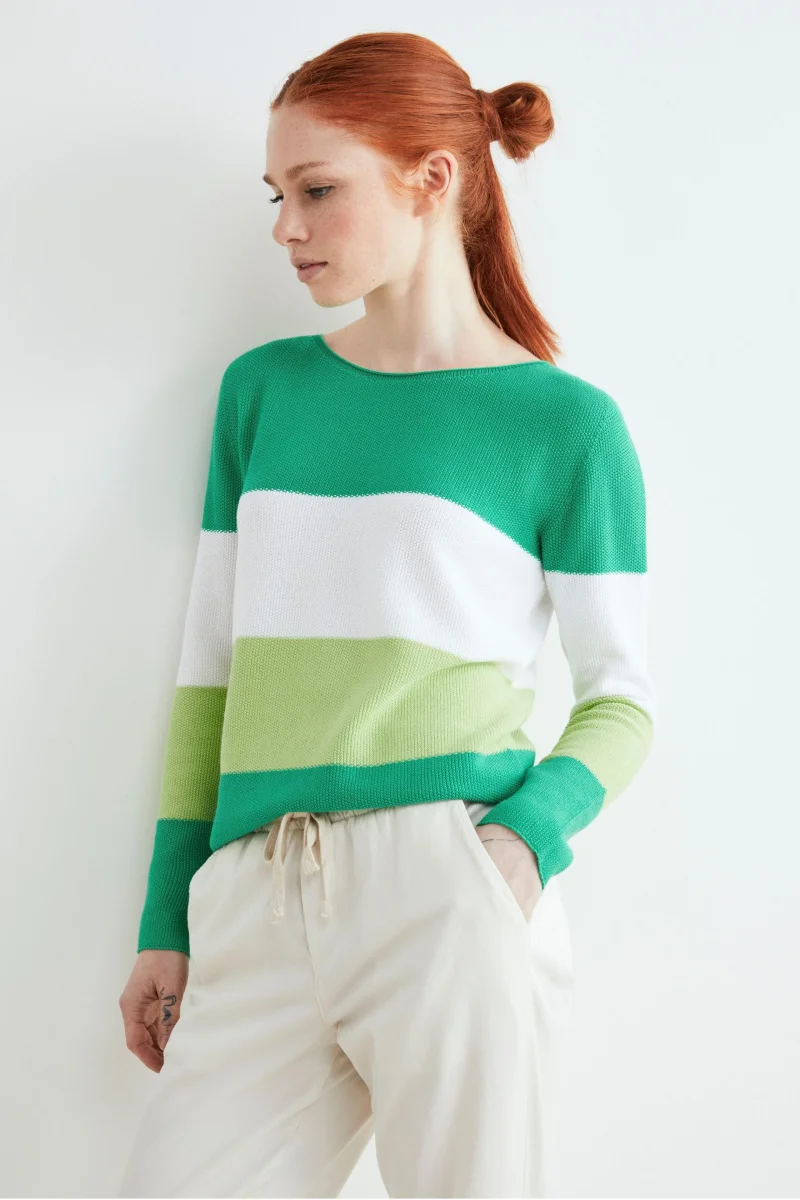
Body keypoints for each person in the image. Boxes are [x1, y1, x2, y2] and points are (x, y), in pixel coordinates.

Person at [117, 29, 656, 1200]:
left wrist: (515, 847)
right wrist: (169, 914)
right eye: (275, 193)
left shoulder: (563, 426)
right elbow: (211, 672)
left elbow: (621, 702)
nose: (284, 227)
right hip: (257, 890)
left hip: (447, 882)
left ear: (432, 178)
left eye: (316, 189)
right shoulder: (263, 393)